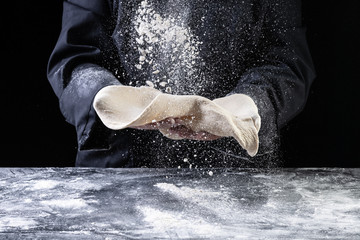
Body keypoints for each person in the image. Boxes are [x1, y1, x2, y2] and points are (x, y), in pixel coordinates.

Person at [47, 0, 315, 168]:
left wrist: (247, 104)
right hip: (121, 169)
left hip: (234, 173)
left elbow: (288, 62)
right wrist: (113, 100)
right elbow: (75, 60)